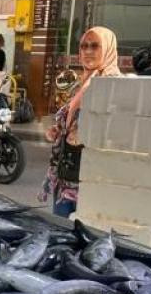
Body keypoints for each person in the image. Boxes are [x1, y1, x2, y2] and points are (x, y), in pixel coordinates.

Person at [41, 26, 121, 217]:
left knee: (84, 231)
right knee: (61, 229)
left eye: (95, 46)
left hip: (91, 179)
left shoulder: (115, 85)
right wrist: (60, 129)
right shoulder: (84, 82)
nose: (88, 51)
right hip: (68, 173)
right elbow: (72, 120)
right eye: (84, 46)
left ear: (108, 48)